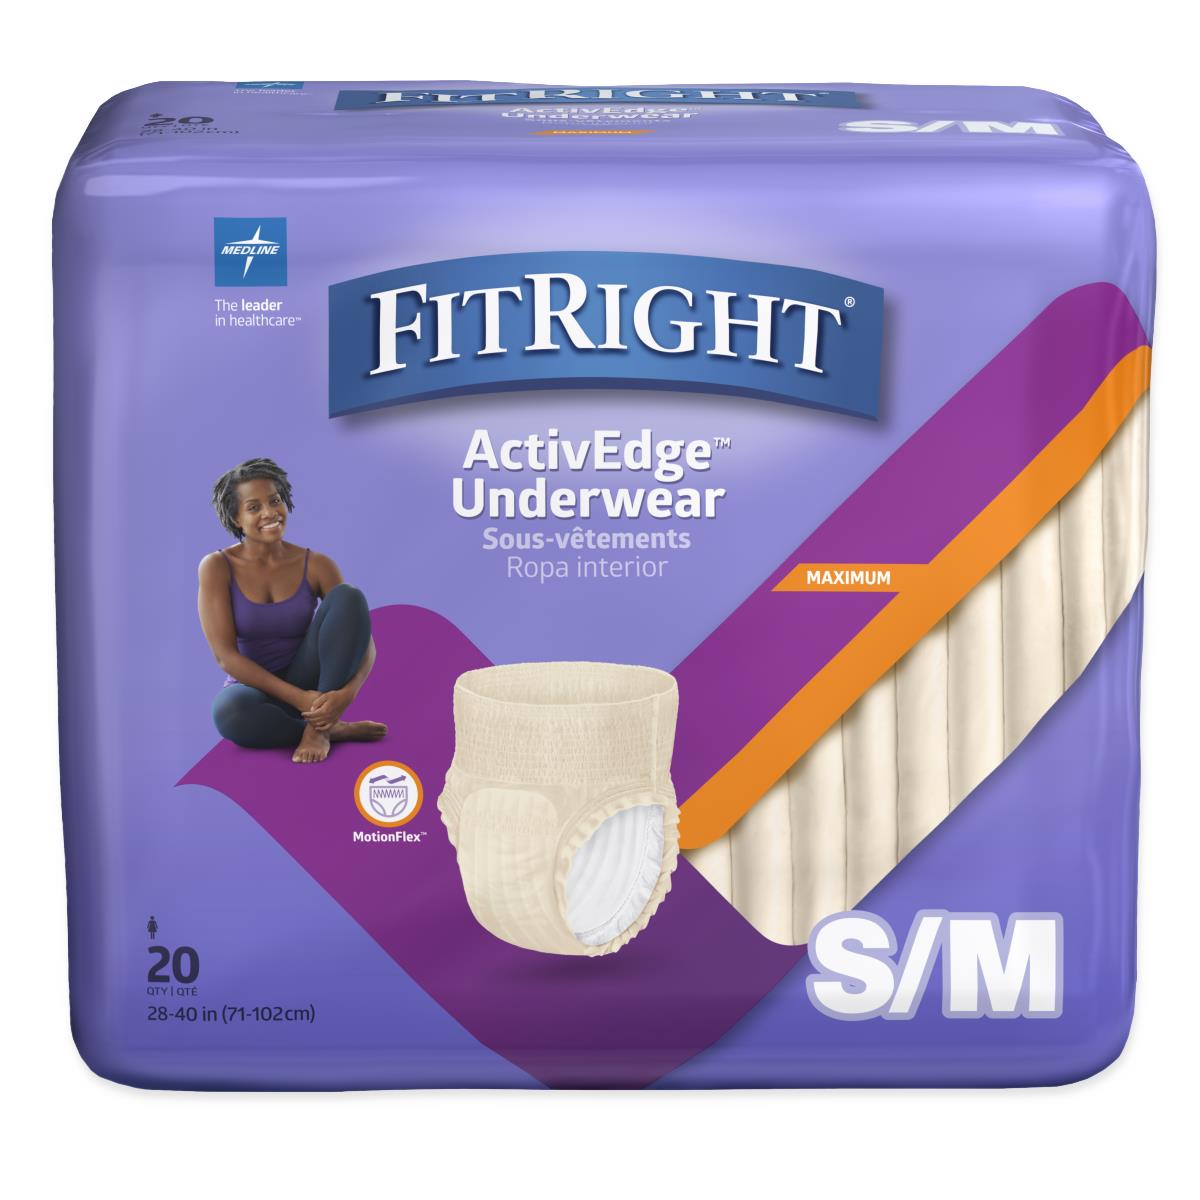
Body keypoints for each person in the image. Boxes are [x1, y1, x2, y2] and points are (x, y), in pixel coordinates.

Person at [198, 458, 387, 764]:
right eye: (254, 507)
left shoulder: (317, 565)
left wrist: (345, 695)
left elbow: (361, 639)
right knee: (229, 712)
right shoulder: (217, 567)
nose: (269, 512)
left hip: (310, 681)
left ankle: (318, 731)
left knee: (349, 597)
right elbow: (225, 657)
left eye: (275, 501)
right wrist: (302, 701)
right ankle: (330, 728)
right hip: (254, 691)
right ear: (236, 518)